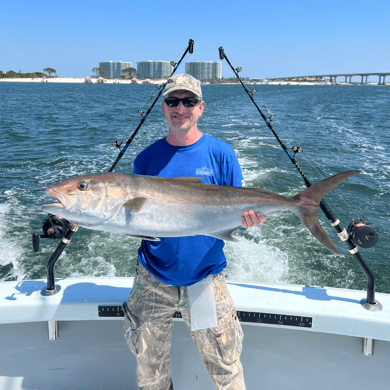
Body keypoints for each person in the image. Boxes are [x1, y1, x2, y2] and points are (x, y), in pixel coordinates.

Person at [123, 74, 266, 390]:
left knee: (225, 367)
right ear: (163, 108)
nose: (180, 108)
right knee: (150, 374)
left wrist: (246, 220)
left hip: (204, 276)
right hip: (153, 276)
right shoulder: (146, 158)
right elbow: (139, 221)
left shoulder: (221, 153)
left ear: (200, 108)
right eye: (173, 101)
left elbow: (237, 205)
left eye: (188, 102)